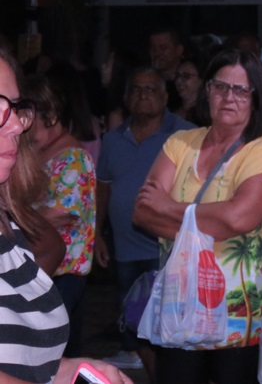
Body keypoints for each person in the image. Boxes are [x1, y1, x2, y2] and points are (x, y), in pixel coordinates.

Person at [132, 49, 262, 384]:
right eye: (220, 86)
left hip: (237, 315)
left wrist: (171, 208)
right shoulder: (180, 143)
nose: (229, 98)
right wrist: (210, 223)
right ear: (207, 91)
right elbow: (142, 211)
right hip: (180, 307)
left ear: (257, 98)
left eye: (241, 90)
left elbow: (238, 218)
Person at [0, 48, 132, 384]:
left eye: (16, 109)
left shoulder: (10, 225)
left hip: (69, 270)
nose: (16, 125)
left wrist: (69, 370)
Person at [93, 67, 195, 375]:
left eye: (151, 89)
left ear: (164, 97)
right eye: (136, 89)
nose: (143, 95)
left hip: (167, 247)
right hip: (125, 248)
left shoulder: (185, 135)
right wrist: (97, 234)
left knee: (169, 324)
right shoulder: (113, 139)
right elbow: (103, 187)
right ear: (126, 98)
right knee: (133, 319)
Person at [23, 75, 97, 358]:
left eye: (28, 119)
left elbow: (60, 213)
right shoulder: (40, 153)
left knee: (53, 351)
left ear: (51, 115)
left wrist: (12, 223)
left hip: (63, 274)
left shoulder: (73, 158)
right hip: (43, 269)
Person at [174, 58, 206, 125]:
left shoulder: (207, 114)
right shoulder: (170, 107)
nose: (178, 81)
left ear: (200, 80)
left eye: (185, 76)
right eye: (177, 76)